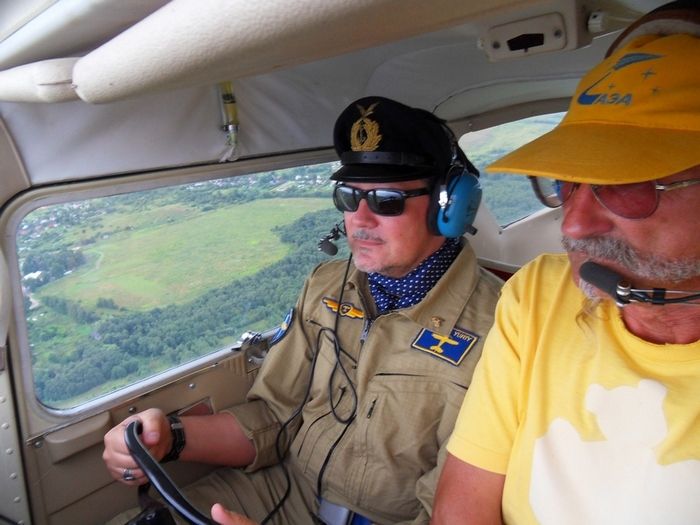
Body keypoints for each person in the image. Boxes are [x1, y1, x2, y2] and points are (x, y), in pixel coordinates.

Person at [103, 95, 503, 524]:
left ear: (449, 206)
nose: (360, 220)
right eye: (348, 196)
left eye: (386, 200)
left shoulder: (502, 329)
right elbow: (274, 417)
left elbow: (451, 512)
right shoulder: (325, 286)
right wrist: (169, 439)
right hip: (286, 489)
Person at [432, 3, 700, 524]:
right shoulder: (540, 294)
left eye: (623, 184)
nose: (573, 225)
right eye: (567, 182)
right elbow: (460, 511)